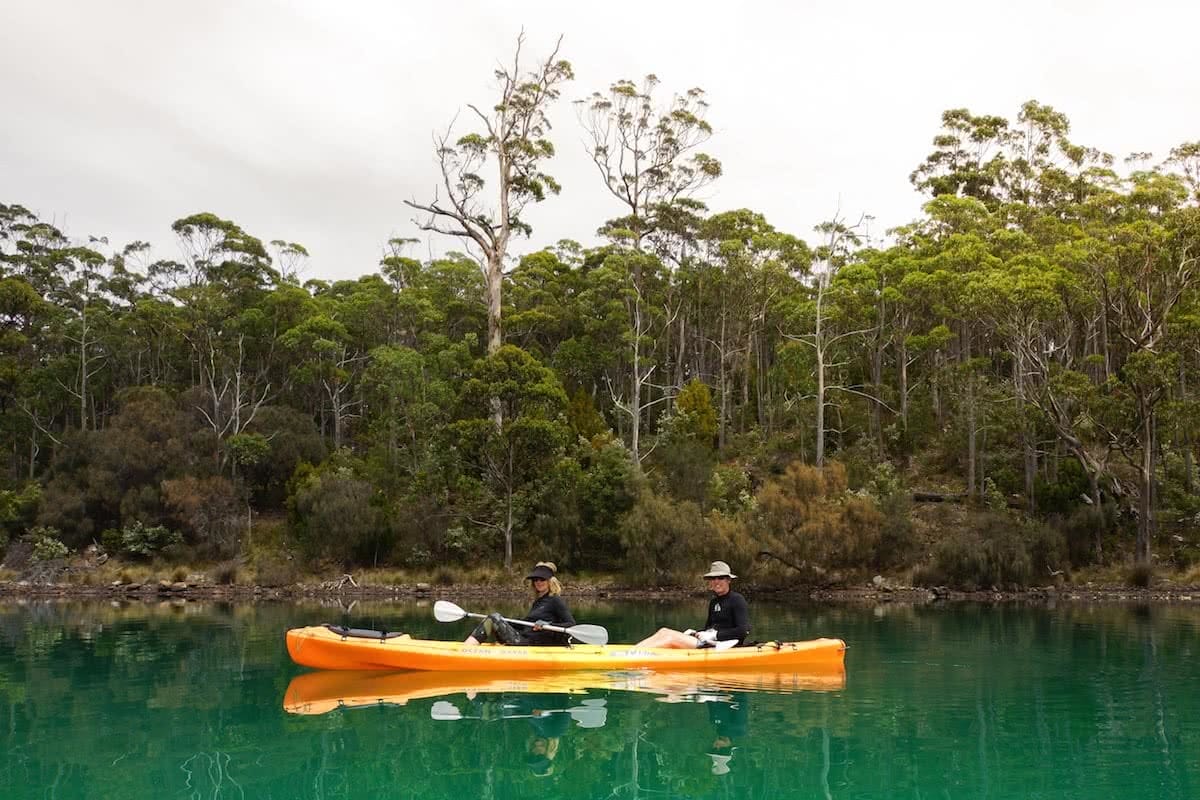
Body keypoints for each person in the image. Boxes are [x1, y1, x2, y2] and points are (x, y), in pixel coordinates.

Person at [635, 561, 750, 649]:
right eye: (713, 578)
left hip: (723, 645)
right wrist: (696, 633)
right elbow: (708, 629)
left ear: (728, 580)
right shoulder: (714, 602)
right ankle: (634, 650)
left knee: (670, 637)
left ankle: (636, 655)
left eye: (721, 578)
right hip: (708, 642)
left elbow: (742, 631)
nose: (716, 581)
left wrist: (715, 635)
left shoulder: (737, 600)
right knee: (663, 631)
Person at [464, 562, 577, 646]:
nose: (538, 582)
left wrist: (548, 625)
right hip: (524, 638)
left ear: (550, 581)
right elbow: (525, 624)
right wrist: (505, 620)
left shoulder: (555, 600)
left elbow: (571, 624)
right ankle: (469, 647)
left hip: (530, 643)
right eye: (535, 580)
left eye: (542, 579)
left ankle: (467, 648)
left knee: (494, 617)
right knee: (496, 618)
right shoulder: (538, 602)